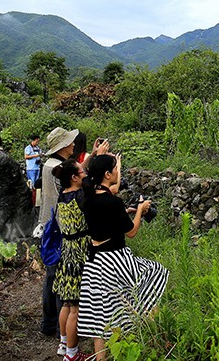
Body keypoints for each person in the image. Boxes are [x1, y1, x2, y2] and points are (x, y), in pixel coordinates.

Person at [77, 153, 169, 360]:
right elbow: (131, 232)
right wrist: (140, 211)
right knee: (154, 274)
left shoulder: (87, 197)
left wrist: (126, 210)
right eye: (115, 168)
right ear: (108, 174)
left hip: (94, 261)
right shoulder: (112, 202)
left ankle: (101, 357)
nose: (118, 172)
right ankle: (152, 333)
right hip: (116, 259)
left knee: (99, 311)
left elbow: (107, 216)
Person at [38, 126, 78, 337]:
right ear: (63, 146)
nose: (73, 144)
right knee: (60, 278)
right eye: (70, 142)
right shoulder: (57, 168)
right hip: (59, 229)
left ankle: (49, 322)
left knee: (51, 276)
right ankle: (58, 326)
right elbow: (73, 185)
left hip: (48, 226)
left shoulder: (49, 164)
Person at [51, 161, 91, 361]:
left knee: (67, 302)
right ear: (74, 177)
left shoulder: (62, 195)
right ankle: (72, 355)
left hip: (66, 250)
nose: (85, 174)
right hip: (79, 251)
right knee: (75, 307)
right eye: (82, 172)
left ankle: (64, 344)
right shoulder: (81, 196)